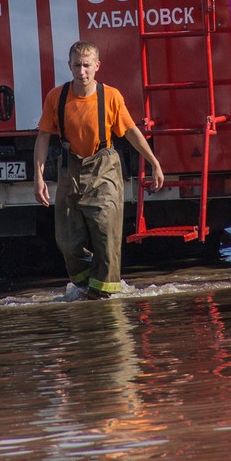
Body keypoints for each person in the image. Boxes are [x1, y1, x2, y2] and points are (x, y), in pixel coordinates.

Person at [33, 40, 164, 299]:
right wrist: (38, 177)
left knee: (106, 235)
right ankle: (85, 285)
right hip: (70, 167)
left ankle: (106, 302)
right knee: (67, 241)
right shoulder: (55, 97)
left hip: (104, 166)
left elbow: (131, 132)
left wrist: (153, 162)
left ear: (97, 66)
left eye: (86, 65)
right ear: (69, 66)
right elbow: (43, 138)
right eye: (76, 65)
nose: (81, 71)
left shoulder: (111, 96)